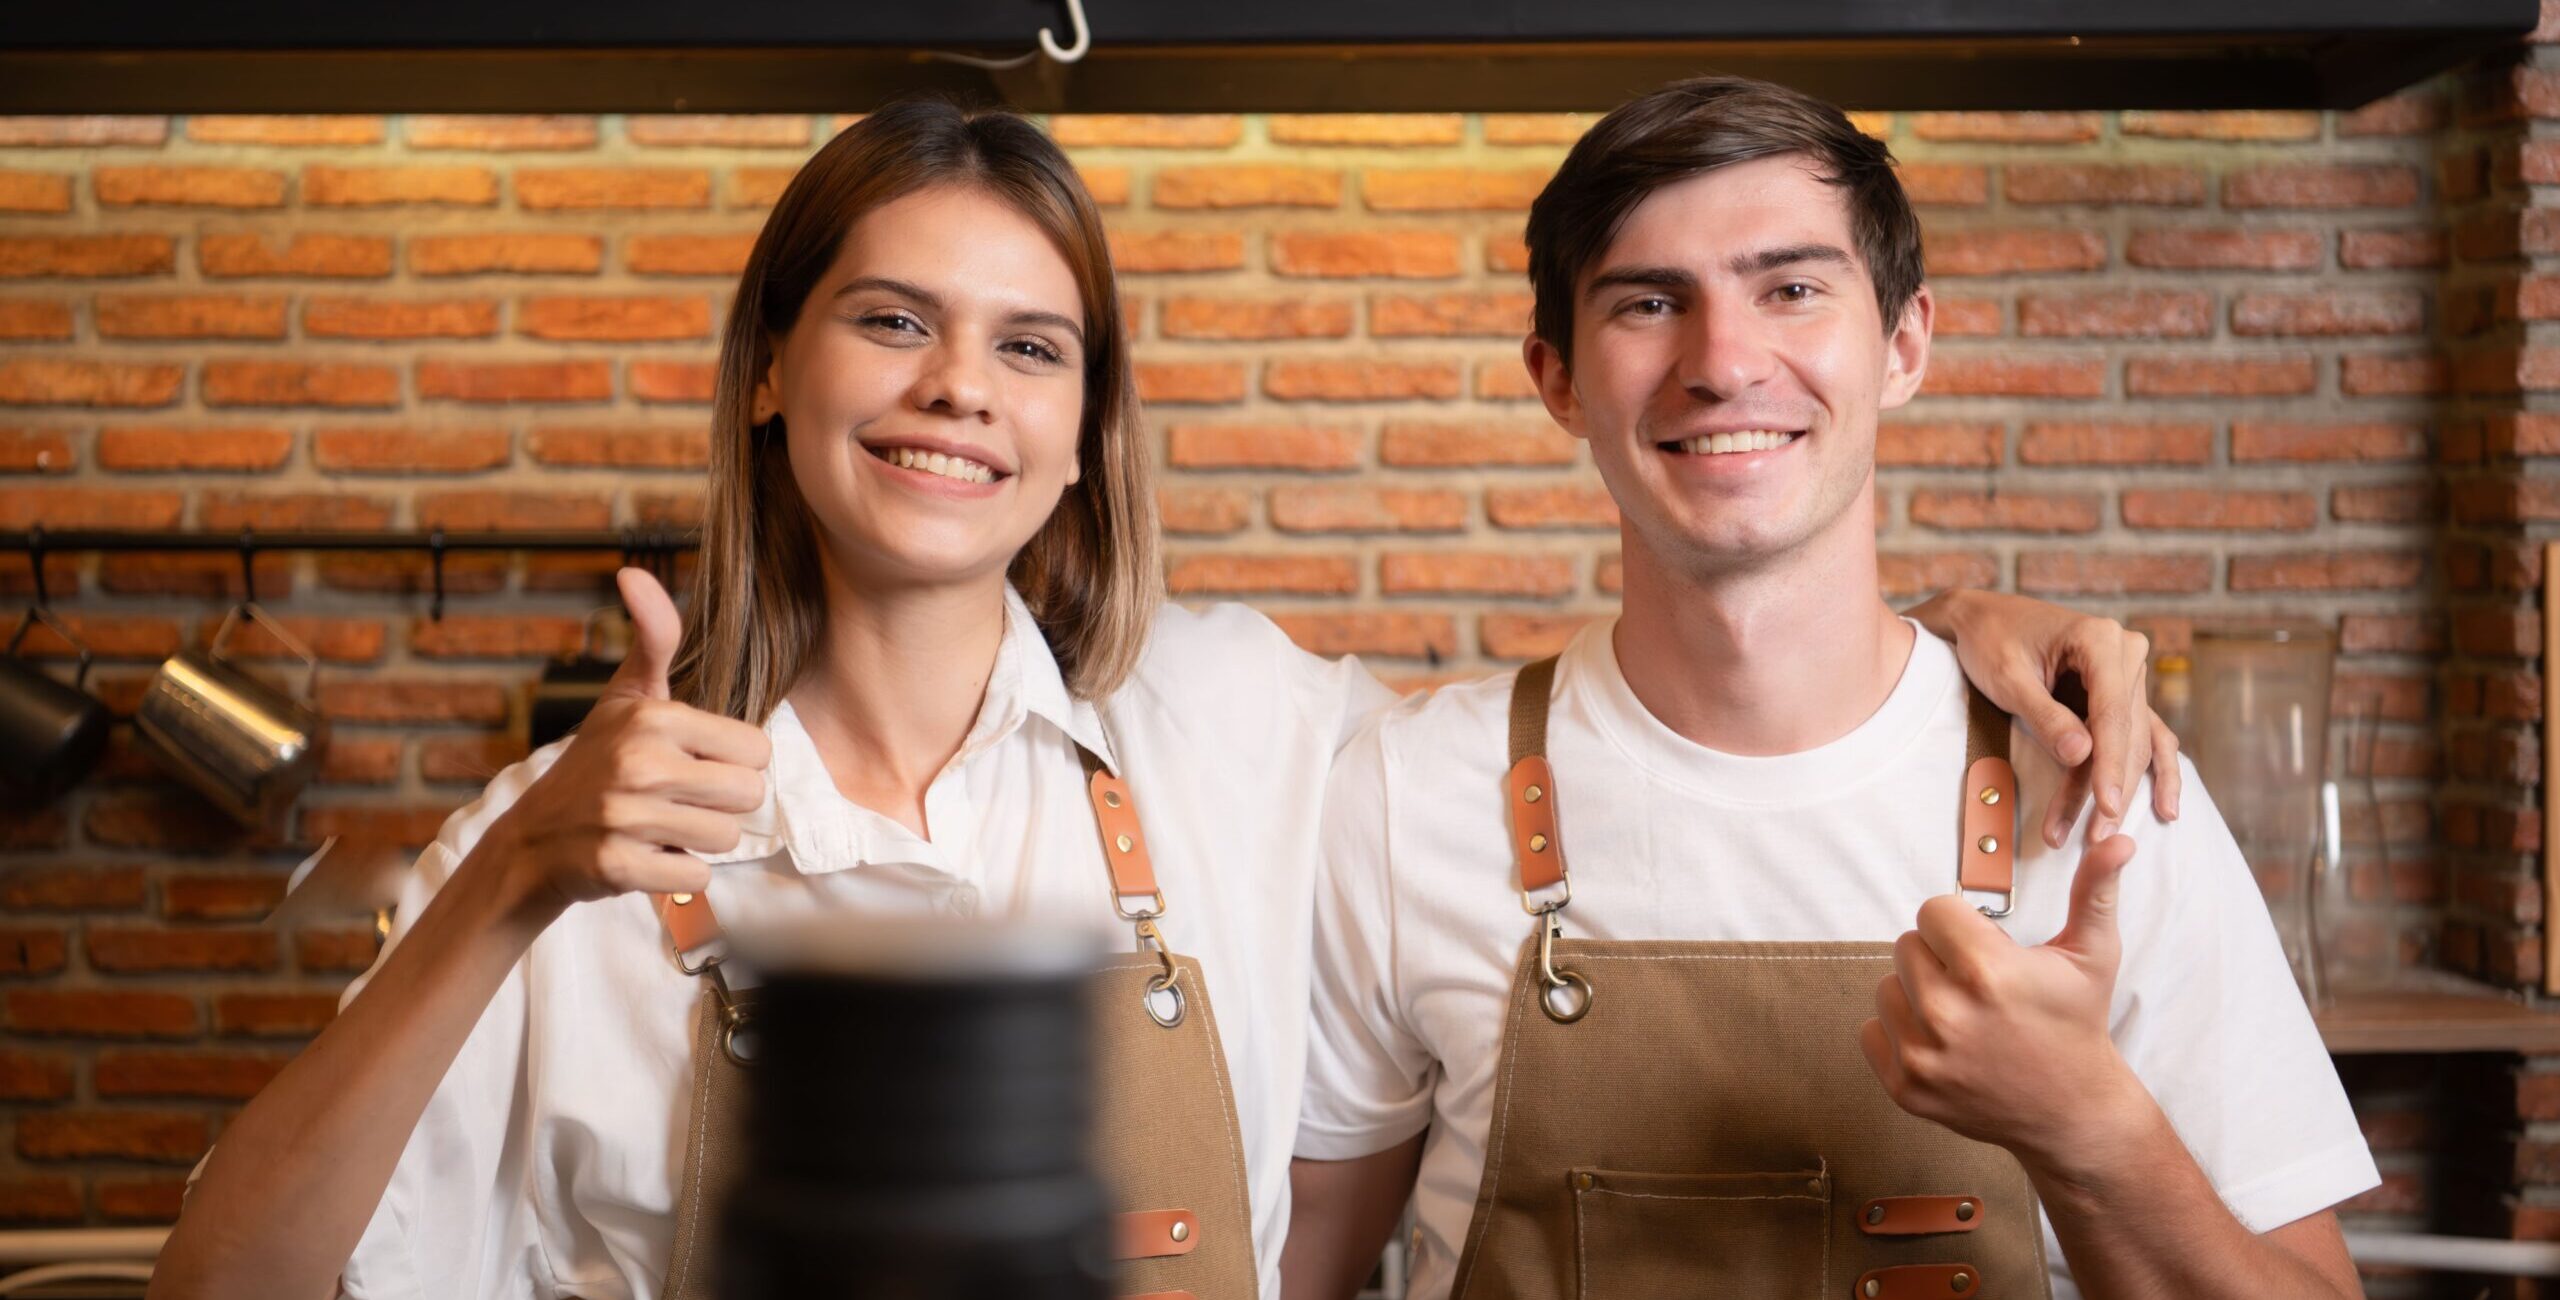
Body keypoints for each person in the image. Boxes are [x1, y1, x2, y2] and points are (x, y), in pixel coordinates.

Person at [150, 98, 2173, 1300]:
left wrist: (1968, 626)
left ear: (1080, 421)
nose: (961, 388)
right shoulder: (549, 840)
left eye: (1030, 345)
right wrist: (509, 879)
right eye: (891, 321)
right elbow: (222, 1280)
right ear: (772, 369)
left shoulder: (1245, 729)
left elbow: (1722, 655)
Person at [1283, 76, 2375, 1300]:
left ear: (1903, 345)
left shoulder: (2097, 793)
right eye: (1649, 302)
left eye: (1791, 288)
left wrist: (2092, 1127)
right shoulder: (1403, 790)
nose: (1723, 361)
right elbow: (1292, 1267)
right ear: (1557, 378)